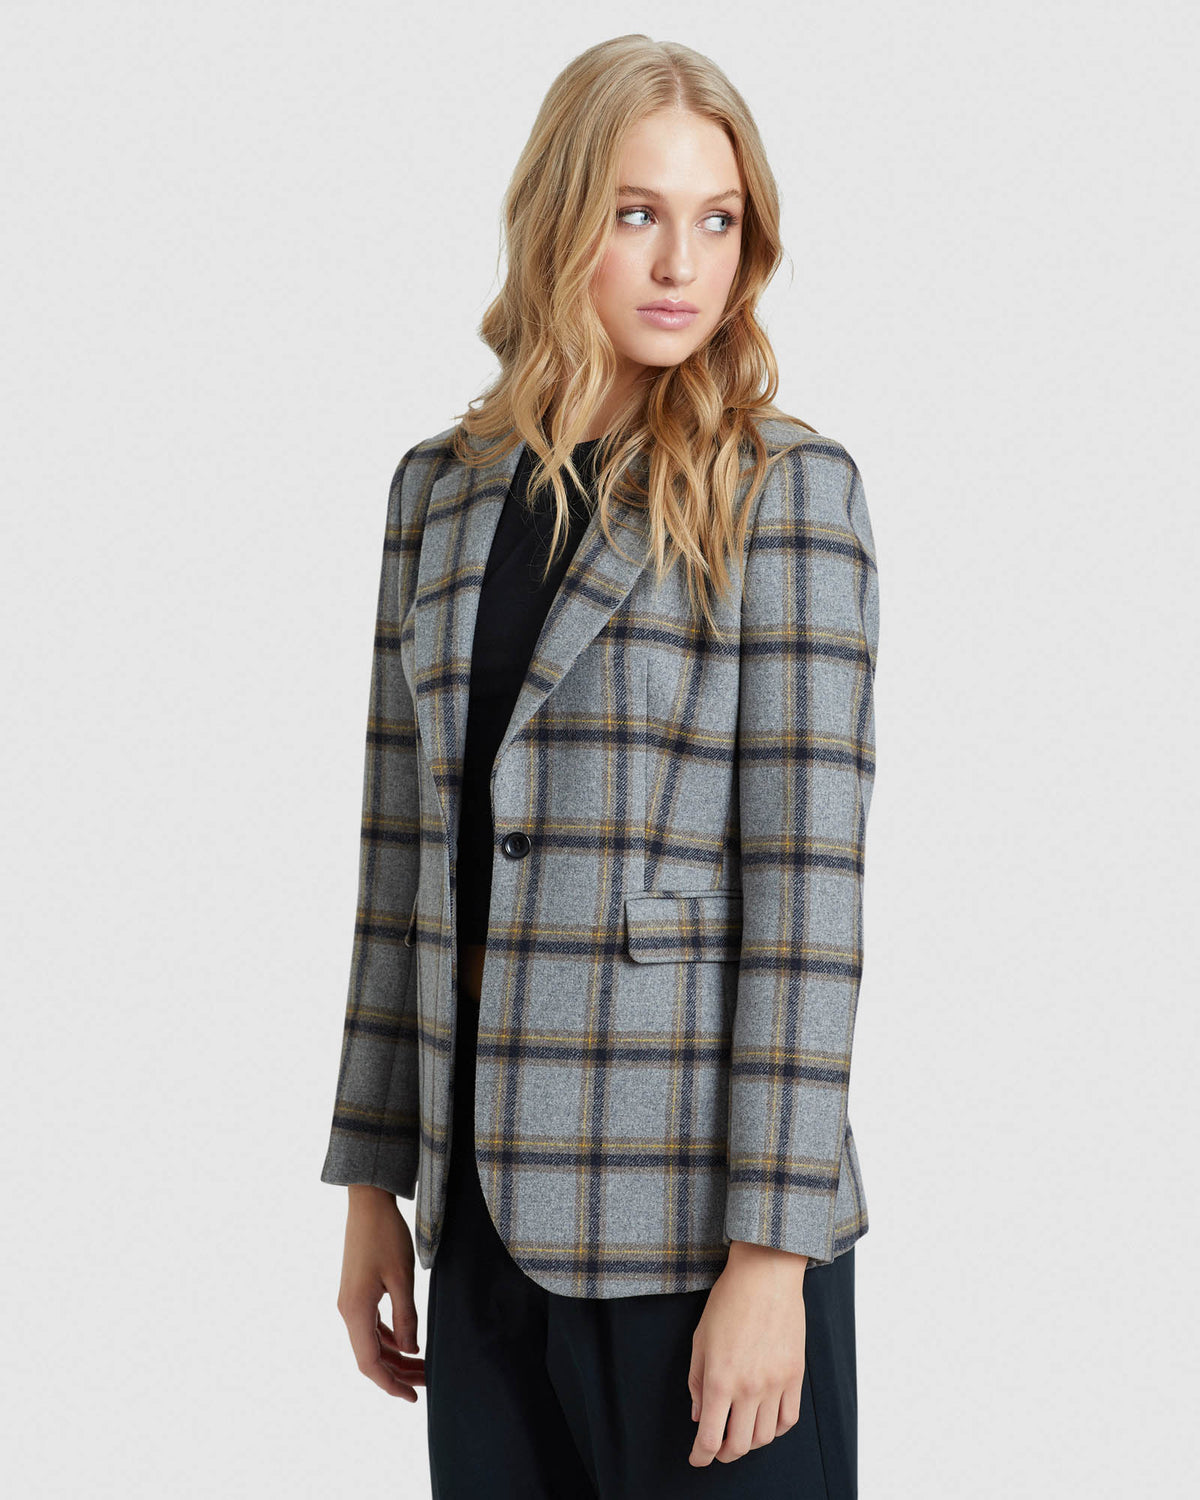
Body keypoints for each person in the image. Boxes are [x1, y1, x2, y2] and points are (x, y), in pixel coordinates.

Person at [320, 33, 879, 1500]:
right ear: (559, 217)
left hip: (695, 1227)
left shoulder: (787, 491)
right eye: (638, 213)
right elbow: (403, 860)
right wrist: (373, 1180)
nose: (682, 262)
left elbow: (809, 896)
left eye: (719, 220)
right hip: (479, 1215)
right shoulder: (438, 496)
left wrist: (773, 1256)